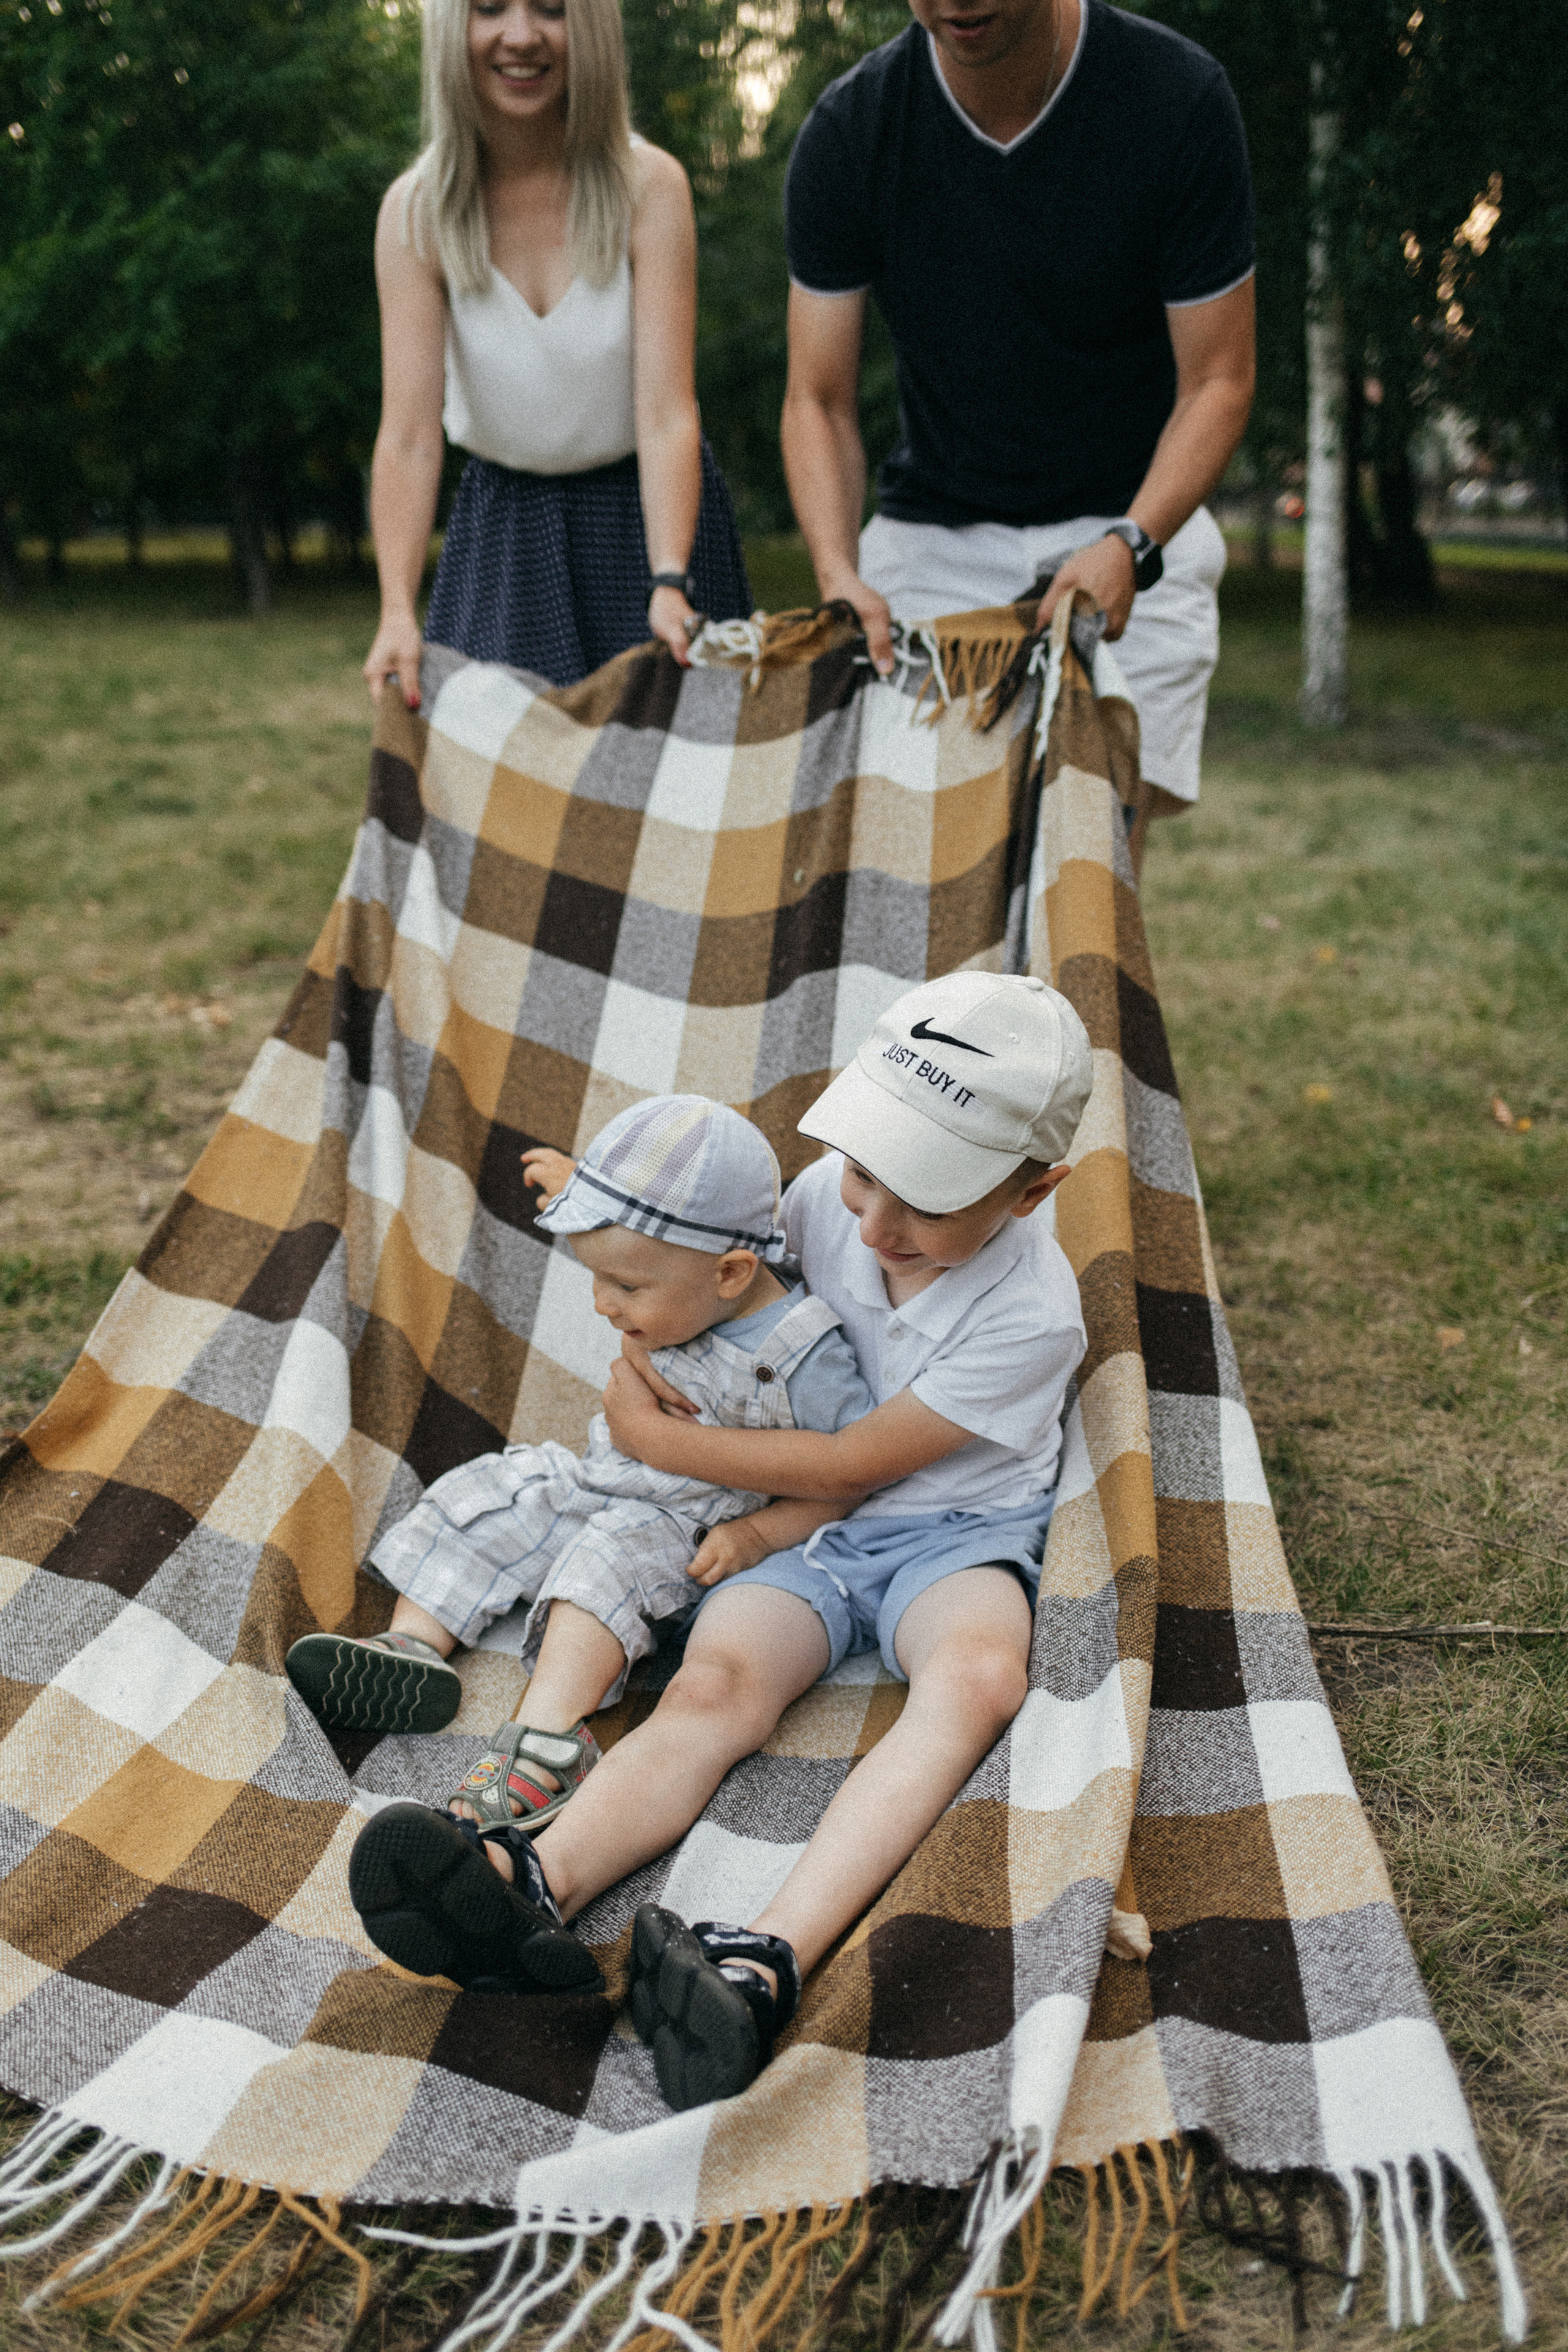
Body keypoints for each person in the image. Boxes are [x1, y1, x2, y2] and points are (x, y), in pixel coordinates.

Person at [347, 971, 1092, 2109]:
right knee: (716, 1686)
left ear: (1037, 1190)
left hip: (951, 1532)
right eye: (864, 1173)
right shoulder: (819, 1207)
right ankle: (528, 1882)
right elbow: (697, 1265)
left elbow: (854, 1467)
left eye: (929, 1203)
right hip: (785, 1540)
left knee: (982, 1675)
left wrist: (654, 1437)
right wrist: (602, 1242)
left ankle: (763, 1960)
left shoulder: (1031, 1317)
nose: (877, 1224)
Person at [287, 1096, 872, 1839]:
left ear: (732, 1274)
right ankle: (413, 1647)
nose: (602, 1304)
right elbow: (629, 1229)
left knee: (595, 1576)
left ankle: (547, 1737)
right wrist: (579, 1187)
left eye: (625, 1288)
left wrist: (760, 1537)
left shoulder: (803, 1353)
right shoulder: (686, 1270)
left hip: (686, 1526)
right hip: (604, 1474)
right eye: (596, 1278)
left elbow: (850, 1473)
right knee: (496, 1492)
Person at [779, 0, 1256, 818]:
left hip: (1132, 532)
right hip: (935, 541)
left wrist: (1130, 545)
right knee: (923, 881)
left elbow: (1219, 380)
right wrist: (836, 574)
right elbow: (818, 400)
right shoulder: (851, 130)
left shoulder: (1177, 97)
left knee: (1090, 877)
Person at [361, 0, 752, 704]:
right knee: (504, 803)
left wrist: (670, 579)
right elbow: (410, 438)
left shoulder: (651, 188)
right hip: (502, 539)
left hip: (647, 523)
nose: (521, 36)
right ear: (456, 28)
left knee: (675, 799)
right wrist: (396, 609)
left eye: (551, 9)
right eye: (489, 9)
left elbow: (667, 414)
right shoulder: (414, 214)